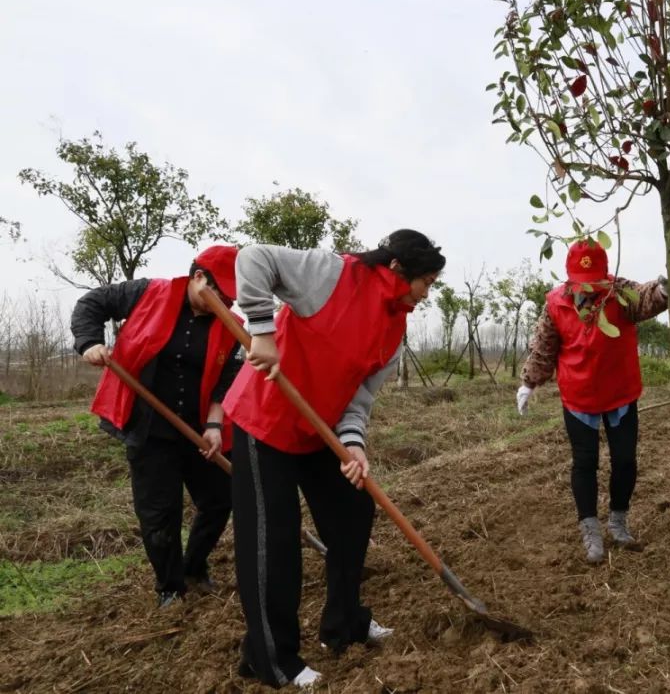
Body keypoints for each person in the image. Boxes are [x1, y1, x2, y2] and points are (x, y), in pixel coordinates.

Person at [223, 230, 445, 689]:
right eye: (426, 280)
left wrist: (354, 445)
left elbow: (359, 398)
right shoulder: (333, 274)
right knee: (273, 539)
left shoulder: (395, 325)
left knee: (353, 510)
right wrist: (262, 330)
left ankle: (344, 625)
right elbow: (254, 257)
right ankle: (271, 659)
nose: (427, 292)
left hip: (316, 430)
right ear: (399, 267)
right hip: (263, 420)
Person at [70, 245, 243, 608]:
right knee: (159, 513)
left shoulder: (229, 324)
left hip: (197, 430)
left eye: (229, 297)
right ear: (198, 277)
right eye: (219, 294)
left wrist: (214, 425)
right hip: (150, 429)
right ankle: (170, 587)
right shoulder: (149, 292)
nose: (224, 303)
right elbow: (91, 304)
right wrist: (90, 343)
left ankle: (193, 568)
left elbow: (226, 380)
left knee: (219, 499)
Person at [517, 240, 670, 564]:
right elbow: (544, 346)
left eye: (594, 281)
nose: (588, 288)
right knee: (585, 463)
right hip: (579, 395)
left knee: (625, 460)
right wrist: (529, 382)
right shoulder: (556, 304)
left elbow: (645, 297)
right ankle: (591, 531)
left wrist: (664, 290)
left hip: (620, 393)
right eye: (581, 281)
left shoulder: (619, 292)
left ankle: (618, 522)